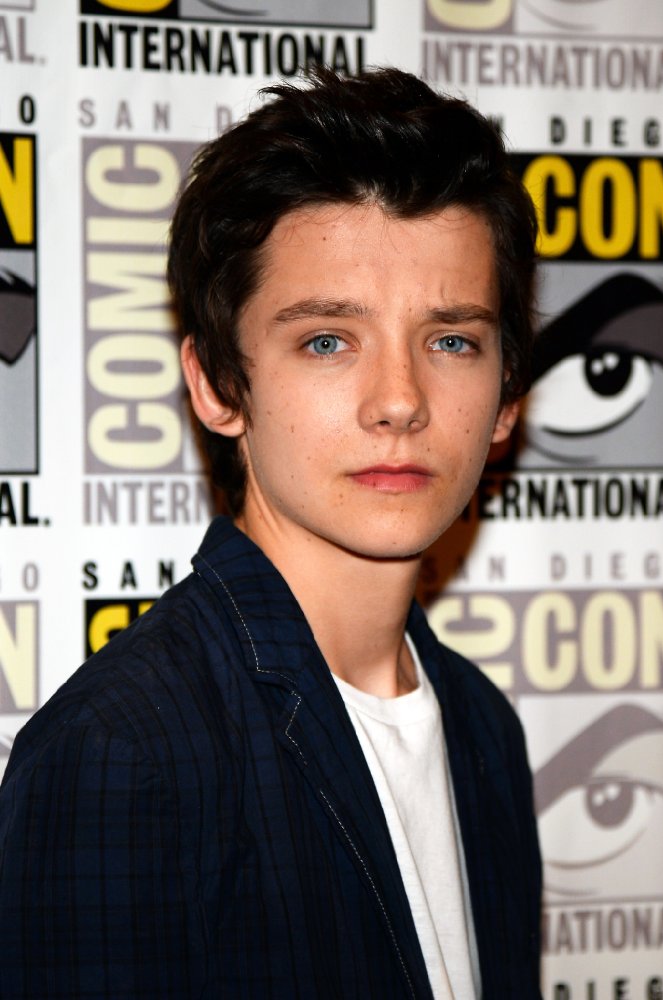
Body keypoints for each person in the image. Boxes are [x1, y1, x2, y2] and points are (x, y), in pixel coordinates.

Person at [0, 67, 542, 998]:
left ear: (506, 398)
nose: (400, 401)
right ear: (218, 386)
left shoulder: (485, 728)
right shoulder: (122, 756)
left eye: (451, 340)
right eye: (327, 339)